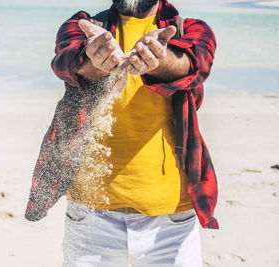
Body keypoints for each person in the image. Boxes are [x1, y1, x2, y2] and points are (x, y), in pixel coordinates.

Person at [47, 0, 219, 266]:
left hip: (171, 219)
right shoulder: (83, 27)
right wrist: (95, 60)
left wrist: (158, 61)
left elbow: (192, 65)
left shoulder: (191, 30)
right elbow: (67, 63)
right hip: (90, 217)